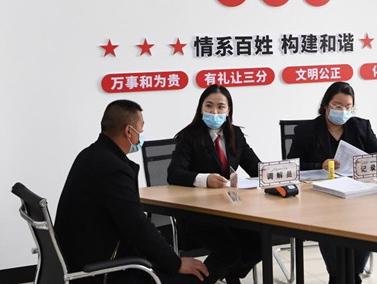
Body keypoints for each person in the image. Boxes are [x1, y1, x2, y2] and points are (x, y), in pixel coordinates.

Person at [55, 100, 210, 284]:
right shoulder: (113, 168)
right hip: (102, 270)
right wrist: (175, 262)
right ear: (129, 131)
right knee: (192, 278)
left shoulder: (90, 154)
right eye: (141, 128)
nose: (141, 134)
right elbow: (137, 227)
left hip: (84, 257)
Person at [288, 81, 377, 284]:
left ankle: (352, 274)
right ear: (326, 105)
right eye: (337, 105)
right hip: (321, 197)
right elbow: (292, 165)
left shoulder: (361, 127)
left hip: (356, 195)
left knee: (364, 222)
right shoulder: (306, 130)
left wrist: (369, 163)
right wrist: (320, 164)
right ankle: (338, 275)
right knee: (329, 222)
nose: (343, 111)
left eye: (348, 107)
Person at [167, 84, 262, 284]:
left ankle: (230, 273)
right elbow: (174, 174)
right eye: (209, 106)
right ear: (201, 108)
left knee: (259, 242)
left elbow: (256, 167)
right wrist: (205, 179)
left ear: (229, 111)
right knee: (229, 251)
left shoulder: (235, 134)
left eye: (220, 107)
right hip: (198, 213)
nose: (214, 112)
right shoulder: (189, 136)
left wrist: (276, 174)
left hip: (230, 210)